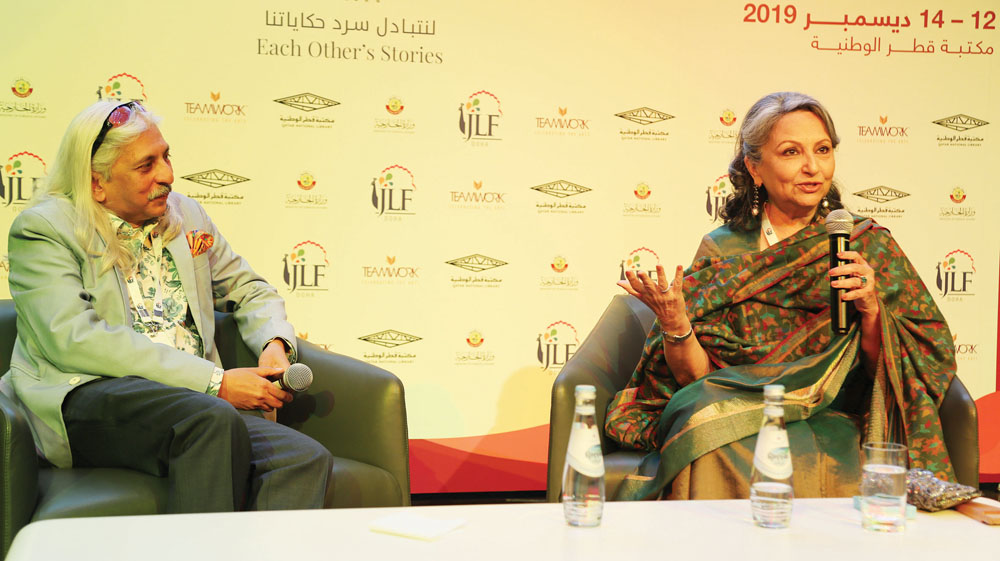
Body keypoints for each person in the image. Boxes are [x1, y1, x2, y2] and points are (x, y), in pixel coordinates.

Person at [606, 92, 956, 500]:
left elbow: (915, 358)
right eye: (791, 152)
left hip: (834, 412)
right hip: (738, 408)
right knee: (708, 430)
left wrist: (873, 310)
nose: (813, 167)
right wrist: (675, 323)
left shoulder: (866, 244)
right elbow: (695, 379)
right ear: (755, 168)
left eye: (823, 150)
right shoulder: (723, 251)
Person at [0, 100, 332, 511]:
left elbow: (250, 289)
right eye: (146, 166)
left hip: (193, 400)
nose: (167, 176)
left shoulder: (186, 216)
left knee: (304, 458)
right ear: (96, 183)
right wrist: (217, 382)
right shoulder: (45, 228)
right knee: (209, 420)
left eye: (166, 156)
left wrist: (274, 342)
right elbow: (73, 339)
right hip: (89, 394)